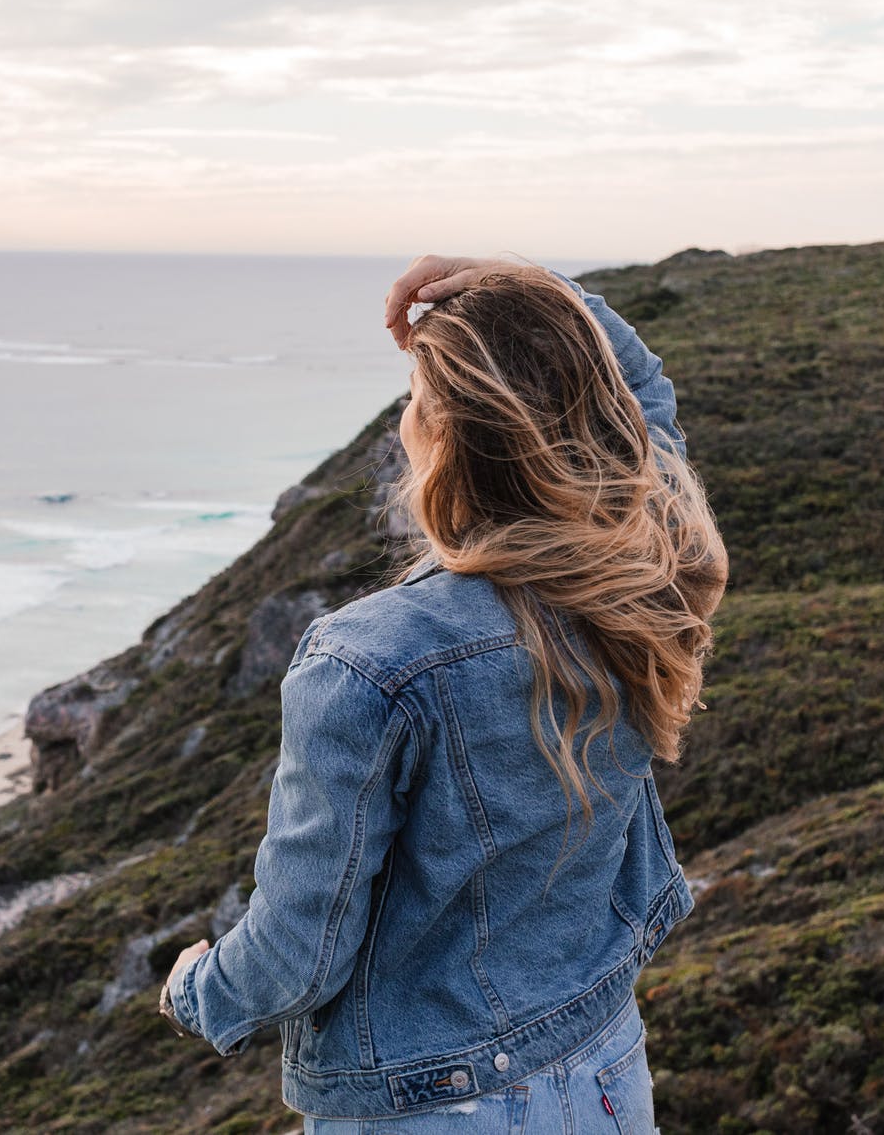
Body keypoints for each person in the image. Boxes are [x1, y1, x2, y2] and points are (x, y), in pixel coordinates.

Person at [157, 254, 728, 1132]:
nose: (404, 416)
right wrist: (536, 291)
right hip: (604, 1071)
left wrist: (197, 986)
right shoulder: (648, 569)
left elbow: (297, 955)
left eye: (417, 400)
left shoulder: (368, 659)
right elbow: (644, 393)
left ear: (450, 436)